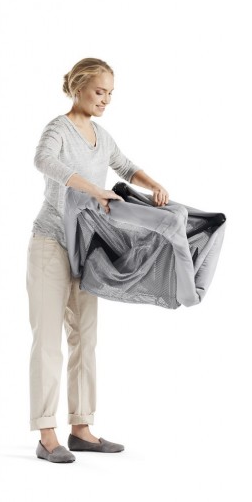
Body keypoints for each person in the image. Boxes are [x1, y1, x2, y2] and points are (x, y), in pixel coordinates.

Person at [26, 57, 170, 463]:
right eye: (99, 91)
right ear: (78, 88)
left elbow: (125, 166)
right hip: (51, 243)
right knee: (48, 341)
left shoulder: (101, 136)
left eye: (110, 93)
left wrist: (153, 184)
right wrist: (93, 189)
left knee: (85, 339)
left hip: (85, 248)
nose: (105, 99)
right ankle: (46, 435)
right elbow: (44, 161)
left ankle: (82, 429)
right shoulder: (58, 129)